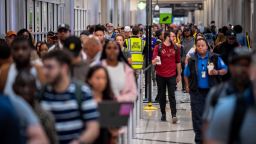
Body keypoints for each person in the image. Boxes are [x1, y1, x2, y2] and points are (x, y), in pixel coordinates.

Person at [41, 50, 99, 144]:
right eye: (44, 67)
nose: (45, 71)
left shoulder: (82, 92)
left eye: (50, 67)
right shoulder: (41, 94)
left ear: (64, 68)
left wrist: (78, 142)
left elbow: (93, 128)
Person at [205, 50, 256, 144]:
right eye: (239, 65)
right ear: (231, 67)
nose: (243, 69)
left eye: (247, 65)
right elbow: (208, 129)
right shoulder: (217, 94)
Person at [184, 38, 228, 144]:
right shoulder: (191, 60)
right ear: (196, 47)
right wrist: (187, 86)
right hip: (196, 92)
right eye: (198, 46)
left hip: (212, 91)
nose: (200, 47)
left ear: (207, 46)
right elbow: (186, 74)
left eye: (202, 45)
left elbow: (225, 70)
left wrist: (216, 72)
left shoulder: (215, 58)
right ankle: (199, 139)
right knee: (197, 116)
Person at [13, 71, 58, 144]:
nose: (26, 90)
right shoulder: (8, 112)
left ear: (35, 89)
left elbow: (53, 140)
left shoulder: (45, 117)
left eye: (30, 86)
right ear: (14, 87)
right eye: (22, 85)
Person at [152, 31, 181, 123]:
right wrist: (154, 61)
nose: (174, 38)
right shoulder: (158, 47)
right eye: (172, 36)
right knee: (162, 95)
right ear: (167, 37)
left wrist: (179, 74)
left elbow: (178, 62)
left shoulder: (176, 47)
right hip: (160, 74)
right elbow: (153, 60)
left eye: (174, 36)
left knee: (172, 95)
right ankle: (163, 113)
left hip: (172, 74)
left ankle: (174, 114)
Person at [86, 65, 117, 144]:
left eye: (104, 78)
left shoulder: (110, 101)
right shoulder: (84, 100)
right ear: (89, 80)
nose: (101, 82)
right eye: (97, 78)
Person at [181, 27, 195, 91]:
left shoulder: (194, 40)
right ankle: (184, 87)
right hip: (184, 60)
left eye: (188, 31)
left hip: (193, 59)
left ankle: (191, 86)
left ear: (190, 31)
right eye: (185, 31)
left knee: (192, 73)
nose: (186, 32)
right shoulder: (182, 40)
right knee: (184, 73)